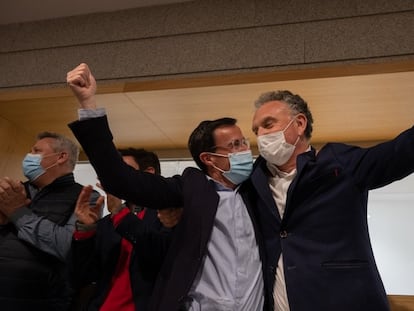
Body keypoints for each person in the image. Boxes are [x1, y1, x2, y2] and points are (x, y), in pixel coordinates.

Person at [66, 63, 271, 311]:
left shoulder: (257, 189)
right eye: (235, 145)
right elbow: (120, 179)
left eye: (244, 143)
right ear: (209, 158)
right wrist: (88, 105)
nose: (245, 151)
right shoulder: (189, 191)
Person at [250, 90, 414, 311]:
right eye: (256, 130)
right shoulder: (253, 181)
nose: (260, 135)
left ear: (299, 124)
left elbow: (399, 153)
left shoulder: (338, 164)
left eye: (268, 125)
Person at [71, 147, 182, 311]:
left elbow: (160, 255)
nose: (117, 179)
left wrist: (118, 212)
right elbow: (81, 276)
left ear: (149, 173)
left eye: (124, 172)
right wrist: (86, 229)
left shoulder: (170, 214)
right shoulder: (108, 223)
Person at [0, 131, 95, 311]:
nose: (28, 157)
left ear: (61, 157)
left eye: (36, 151)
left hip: (40, 302)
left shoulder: (85, 197)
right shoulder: (14, 191)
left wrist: (17, 213)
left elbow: (68, 247)